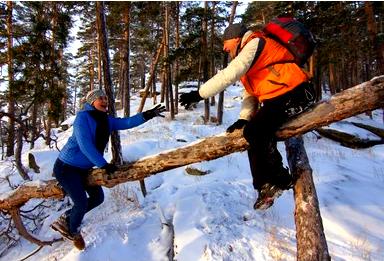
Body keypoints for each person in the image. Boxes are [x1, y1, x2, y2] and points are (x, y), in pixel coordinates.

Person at [179, 23, 316, 210]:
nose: (224, 48)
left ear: (236, 38)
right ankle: (266, 187)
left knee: (256, 132)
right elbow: (251, 92)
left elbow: (228, 75)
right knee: (252, 132)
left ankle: (280, 180)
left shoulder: (255, 43)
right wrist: (244, 117)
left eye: (226, 43)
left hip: (296, 93)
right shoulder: (250, 56)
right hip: (281, 95)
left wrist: (199, 94)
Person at [50, 89, 165, 249]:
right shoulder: (82, 118)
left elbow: (126, 123)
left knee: (98, 198)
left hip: (84, 169)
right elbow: (85, 146)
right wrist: (103, 164)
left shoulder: (106, 119)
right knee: (81, 202)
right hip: (67, 168)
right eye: (100, 98)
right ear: (92, 102)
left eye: (105, 97)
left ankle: (67, 218)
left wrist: (147, 115)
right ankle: (72, 231)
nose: (105, 100)